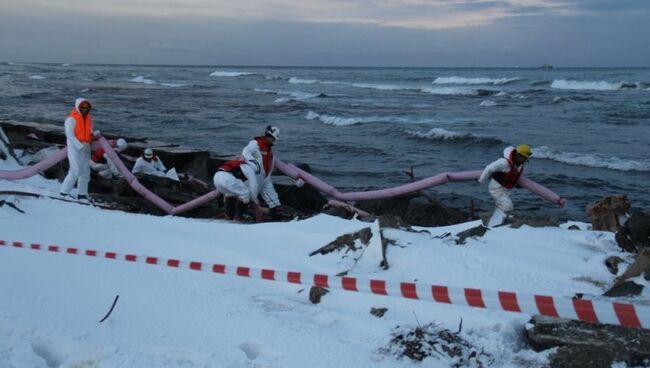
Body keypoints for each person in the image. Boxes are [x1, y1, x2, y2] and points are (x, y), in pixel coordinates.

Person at [241, 125, 303, 219]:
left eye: (274, 139)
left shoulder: (270, 151)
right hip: (255, 178)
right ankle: (242, 215)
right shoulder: (255, 144)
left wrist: (296, 178)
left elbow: (282, 167)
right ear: (268, 135)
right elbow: (245, 152)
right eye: (273, 138)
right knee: (247, 198)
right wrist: (253, 163)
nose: (273, 140)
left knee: (275, 201)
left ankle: (276, 217)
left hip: (265, 179)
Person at [478, 144, 532, 227]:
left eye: (526, 159)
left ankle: (494, 223)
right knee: (507, 206)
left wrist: (516, 184)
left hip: (506, 189)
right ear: (518, 155)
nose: (525, 161)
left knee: (500, 205)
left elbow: (514, 175)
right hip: (496, 188)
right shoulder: (503, 162)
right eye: (524, 158)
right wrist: (480, 180)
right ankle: (502, 223)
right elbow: (489, 168)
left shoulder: (519, 165)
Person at [60, 98, 96, 200]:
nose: (85, 109)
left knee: (85, 172)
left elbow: (89, 131)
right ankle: (64, 192)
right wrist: (79, 146)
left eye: (87, 107)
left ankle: (82, 194)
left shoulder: (89, 118)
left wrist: (94, 134)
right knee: (75, 171)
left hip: (86, 146)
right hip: (75, 147)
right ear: (77, 107)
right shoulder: (71, 119)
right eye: (82, 107)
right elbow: (70, 136)